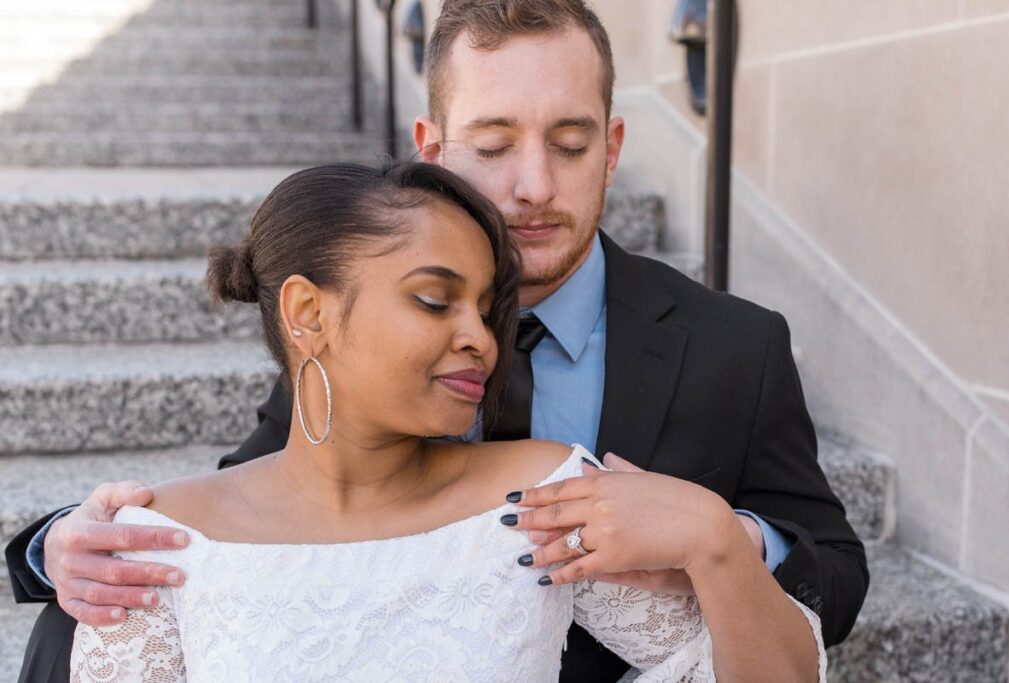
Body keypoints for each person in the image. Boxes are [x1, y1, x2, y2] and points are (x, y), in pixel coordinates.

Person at [6, 1, 867, 681]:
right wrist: (67, 548)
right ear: (433, 149)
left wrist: (720, 537)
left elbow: (833, 572)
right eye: (494, 145)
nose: (534, 186)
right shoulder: (351, 336)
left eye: (570, 145)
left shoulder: (737, 345)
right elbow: (263, 518)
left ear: (611, 151)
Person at [68, 160, 825, 681]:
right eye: (436, 299)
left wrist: (716, 537)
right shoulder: (157, 541)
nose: (482, 339)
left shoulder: (541, 498)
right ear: (308, 312)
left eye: (485, 306)